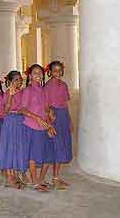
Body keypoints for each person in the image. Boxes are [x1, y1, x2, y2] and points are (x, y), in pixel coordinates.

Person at [20, 64, 56, 192]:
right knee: (33, 156)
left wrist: (49, 117)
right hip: (32, 126)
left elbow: (46, 108)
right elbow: (22, 109)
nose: (38, 75)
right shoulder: (28, 91)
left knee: (48, 155)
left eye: (40, 73)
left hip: (44, 126)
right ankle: (34, 182)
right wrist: (37, 118)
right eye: (35, 73)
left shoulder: (43, 90)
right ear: (30, 76)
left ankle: (41, 179)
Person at [44, 61, 73, 190]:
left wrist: (70, 121)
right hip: (53, 118)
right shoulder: (48, 86)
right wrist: (49, 123)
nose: (58, 72)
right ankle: (46, 179)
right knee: (54, 148)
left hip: (63, 117)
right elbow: (45, 105)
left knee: (62, 148)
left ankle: (56, 177)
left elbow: (65, 104)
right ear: (50, 72)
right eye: (55, 70)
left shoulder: (64, 85)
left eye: (60, 70)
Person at [0, 71, 26, 188]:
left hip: (20, 122)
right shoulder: (6, 94)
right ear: (9, 82)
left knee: (17, 146)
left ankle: (15, 174)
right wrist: (10, 95)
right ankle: (9, 177)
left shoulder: (23, 93)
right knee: (9, 147)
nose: (18, 82)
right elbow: (5, 111)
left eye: (20, 80)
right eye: (16, 80)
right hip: (10, 121)